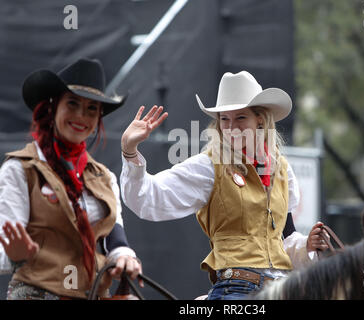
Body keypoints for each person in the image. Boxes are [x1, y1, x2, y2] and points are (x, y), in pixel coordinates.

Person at [120, 71, 328, 300]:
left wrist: (306, 244)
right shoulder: (210, 165)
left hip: (283, 288)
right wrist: (130, 152)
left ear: (260, 120)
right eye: (224, 119)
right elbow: (148, 198)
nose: (231, 127)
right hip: (236, 287)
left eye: (240, 118)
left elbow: (285, 238)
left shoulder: (281, 169)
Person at [0, 58, 142, 300]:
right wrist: (15, 253)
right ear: (52, 108)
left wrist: (125, 259)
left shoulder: (104, 177)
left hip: (94, 293)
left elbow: (115, 240)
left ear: (98, 119)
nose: (81, 116)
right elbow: (5, 248)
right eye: (73, 104)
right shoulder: (20, 169)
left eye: (91, 109)